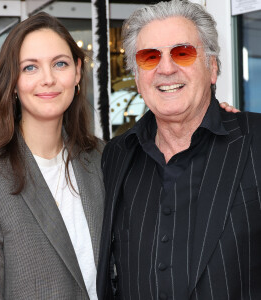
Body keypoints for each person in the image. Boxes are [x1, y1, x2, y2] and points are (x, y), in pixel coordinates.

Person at [97, 1, 261, 299]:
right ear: (137, 78)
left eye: (183, 53)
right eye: (149, 57)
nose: (166, 68)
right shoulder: (116, 156)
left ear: (212, 68)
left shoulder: (256, 141)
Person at [0, 12, 105, 300]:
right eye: (30, 68)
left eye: (60, 64)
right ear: (12, 81)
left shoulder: (102, 159)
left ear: (77, 72)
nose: (48, 79)